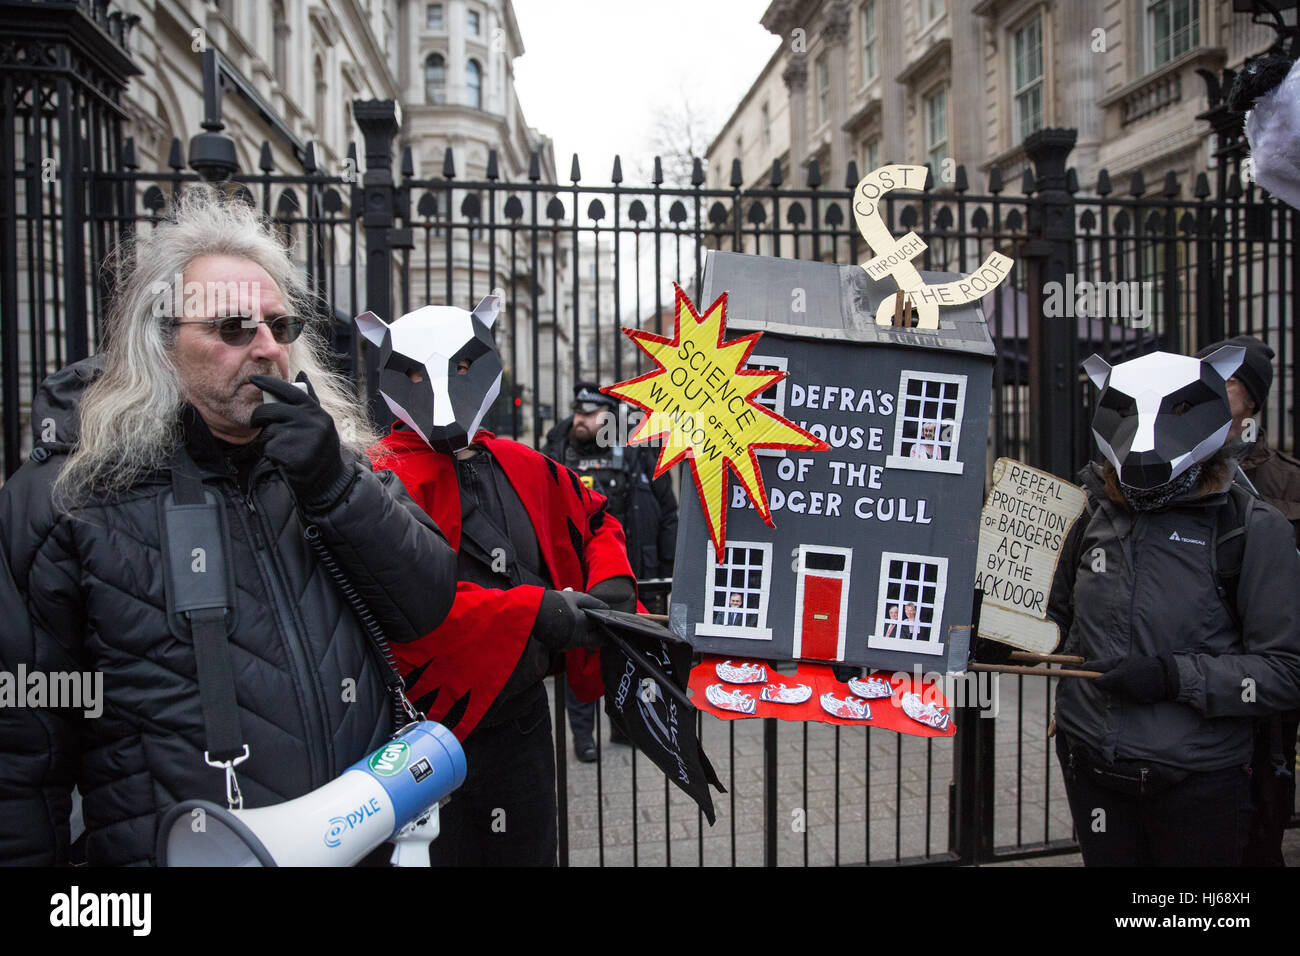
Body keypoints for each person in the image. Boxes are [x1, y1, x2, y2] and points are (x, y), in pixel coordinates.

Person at [0, 187, 458, 866]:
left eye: (280, 325)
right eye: (233, 328)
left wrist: (334, 484)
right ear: (161, 343)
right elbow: (22, 753)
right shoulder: (64, 499)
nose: (268, 347)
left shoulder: (335, 459)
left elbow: (425, 603)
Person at [357, 299, 639, 865]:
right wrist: (533, 612)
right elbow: (400, 599)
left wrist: (611, 582)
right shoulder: (375, 480)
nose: (438, 391)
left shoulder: (523, 464)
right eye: (413, 372)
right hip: (422, 736)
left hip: (523, 722)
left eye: (462, 367)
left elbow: (595, 518)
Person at [1049, 346, 1300, 867]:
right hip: (1092, 766)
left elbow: (1284, 672)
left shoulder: (1253, 530)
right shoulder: (1088, 512)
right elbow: (1054, 619)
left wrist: (1174, 677)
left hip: (1198, 783)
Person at [1197, 333, 1300, 866]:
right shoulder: (1174, 467)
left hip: (1266, 685)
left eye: (1232, 382)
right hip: (1203, 683)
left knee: (1262, 825)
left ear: (1252, 402)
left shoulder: (1284, 480)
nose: (1215, 389)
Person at [543, 382, 677, 761]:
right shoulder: (557, 452)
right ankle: (583, 737)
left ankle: (623, 727)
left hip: (628, 575)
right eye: (579, 412)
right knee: (579, 656)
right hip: (577, 578)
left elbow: (667, 514)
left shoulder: (638, 453)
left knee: (628, 656)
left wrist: (666, 573)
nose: (581, 420)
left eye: (591, 413)